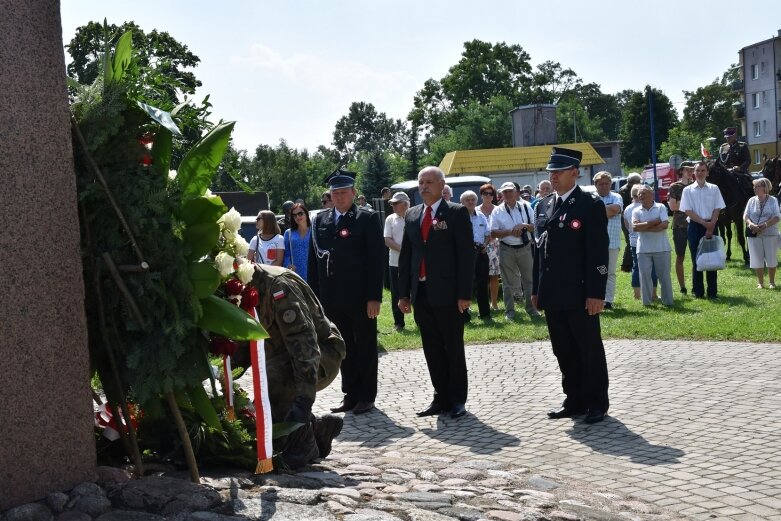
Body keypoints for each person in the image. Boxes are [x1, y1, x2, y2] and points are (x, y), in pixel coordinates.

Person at [239, 263, 347, 469]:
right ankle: (318, 428)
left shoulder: (278, 288)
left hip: (321, 355)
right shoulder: (243, 288)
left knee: (276, 377)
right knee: (263, 424)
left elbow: (305, 347)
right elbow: (245, 343)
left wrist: (303, 403)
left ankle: (304, 443)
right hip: (283, 356)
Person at [532, 147, 609, 424]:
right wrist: (535, 289)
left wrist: (596, 293)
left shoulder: (589, 205)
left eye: (559, 171)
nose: (553, 176)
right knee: (562, 348)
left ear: (575, 172)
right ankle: (574, 399)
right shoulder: (543, 205)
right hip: (553, 292)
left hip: (579, 292)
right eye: (550, 172)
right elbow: (539, 251)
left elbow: (598, 253)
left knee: (588, 348)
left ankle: (597, 402)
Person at [397, 166, 474, 419]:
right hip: (422, 293)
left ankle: (457, 400)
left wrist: (464, 294)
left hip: (449, 294)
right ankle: (440, 397)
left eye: (429, 182)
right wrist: (403, 294)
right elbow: (407, 256)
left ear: (442, 186)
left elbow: (465, 256)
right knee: (431, 348)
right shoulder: (412, 214)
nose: (424, 186)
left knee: (452, 346)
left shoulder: (456, 212)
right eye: (421, 182)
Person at [309, 168, 384, 415]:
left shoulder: (367, 218)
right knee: (342, 348)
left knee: (364, 345)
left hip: (361, 297)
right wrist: (315, 299)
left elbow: (376, 260)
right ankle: (350, 394)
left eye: (344, 192)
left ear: (353, 193)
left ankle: (366, 395)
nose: (339, 197)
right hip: (332, 297)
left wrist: (374, 297)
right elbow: (314, 261)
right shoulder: (320, 220)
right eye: (335, 192)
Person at [491, 182, 540, 320]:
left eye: (510, 191)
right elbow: (493, 232)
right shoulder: (497, 210)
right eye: (504, 192)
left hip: (525, 247)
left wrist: (523, 226)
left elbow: (535, 226)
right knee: (507, 283)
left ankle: (532, 309)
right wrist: (510, 232)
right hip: (506, 248)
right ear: (501, 194)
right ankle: (509, 311)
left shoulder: (526, 206)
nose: (507, 194)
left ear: (516, 192)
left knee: (529, 281)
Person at [679, 161, 726, 299]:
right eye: (698, 170)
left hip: (712, 224)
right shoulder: (687, 190)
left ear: (707, 172)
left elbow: (717, 207)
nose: (700, 173)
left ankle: (712, 292)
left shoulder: (714, 188)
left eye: (703, 170)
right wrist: (703, 223)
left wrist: (711, 224)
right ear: (694, 172)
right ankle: (698, 292)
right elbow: (687, 210)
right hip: (695, 226)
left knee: (712, 259)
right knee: (696, 259)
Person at [632, 186, 673, 306]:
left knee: (664, 277)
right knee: (644, 276)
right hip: (643, 249)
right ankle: (647, 303)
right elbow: (635, 227)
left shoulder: (660, 207)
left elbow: (664, 225)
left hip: (662, 248)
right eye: (639, 194)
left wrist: (644, 227)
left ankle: (668, 301)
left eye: (644, 193)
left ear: (652, 194)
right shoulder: (636, 211)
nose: (641, 196)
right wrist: (653, 222)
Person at [743, 177, 781, 288]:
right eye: (754, 186)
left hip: (770, 233)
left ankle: (772, 282)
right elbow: (745, 215)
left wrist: (764, 225)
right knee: (756, 258)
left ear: (765, 187)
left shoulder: (773, 200)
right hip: (754, 233)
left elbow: (777, 217)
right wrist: (750, 224)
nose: (755, 188)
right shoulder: (751, 200)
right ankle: (760, 282)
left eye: (757, 186)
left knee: (771, 258)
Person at [593, 172, 623, 309]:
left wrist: (596, 212)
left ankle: (608, 300)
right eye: (601, 184)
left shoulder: (617, 197)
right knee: (595, 272)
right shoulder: (590, 198)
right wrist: (607, 211)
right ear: (596, 185)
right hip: (593, 242)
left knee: (609, 272)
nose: (604, 186)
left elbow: (615, 210)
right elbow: (609, 211)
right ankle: (595, 297)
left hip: (612, 242)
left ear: (611, 184)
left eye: (606, 183)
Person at [460, 190, 491, 320]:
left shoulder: (481, 216)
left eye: (472, 199)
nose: (470, 202)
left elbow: (488, 233)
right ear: (462, 202)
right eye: (467, 200)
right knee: (466, 285)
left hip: (481, 253)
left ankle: (485, 314)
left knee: (483, 284)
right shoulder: (458, 217)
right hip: (465, 255)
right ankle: (465, 315)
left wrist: (484, 245)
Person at [384, 192, 410, 331]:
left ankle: (421, 321)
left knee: (417, 291)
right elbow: (387, 240)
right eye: (392, 204)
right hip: (395, 262)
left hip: (414, 262)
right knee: (397, 293)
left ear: (405, 204)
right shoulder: (390, 219)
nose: (393, 206)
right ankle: (399, 323)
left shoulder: (415, 216)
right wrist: (404, 251)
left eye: (396, 203)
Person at [668, 162, 695, 294]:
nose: (690, 172)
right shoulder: (675, 187)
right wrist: (688, 205)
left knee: (697, 256)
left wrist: (681, 204)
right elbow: (672, 207)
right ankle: (682, 287)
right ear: (681, 171)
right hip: (679, 226)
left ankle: (697, 285)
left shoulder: (696, 186)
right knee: (680, 256)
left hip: (695, 224)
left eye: (692, 170)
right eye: (687, 170)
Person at [479, 183, 501, 311]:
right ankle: (482, 303)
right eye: (485, 193)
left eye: (490, 193)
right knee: (480, 275)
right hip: (480, 246)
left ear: (494, 196)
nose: (488, 196)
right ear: (481, 195)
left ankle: (494, 303)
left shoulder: (498, 210)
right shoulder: (475, 210)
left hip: (495, 246)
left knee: (494, 275)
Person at [618, 173, 642, 272]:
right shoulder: (625, 190)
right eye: (638, 182)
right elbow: (623, 206)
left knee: (630, 240)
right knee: (630, 240)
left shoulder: (623, 189)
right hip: (627, 217)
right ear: (634, 182)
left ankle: (629, 263)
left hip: (627, 216)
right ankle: (627, 264)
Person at [283, 202, 312, 284]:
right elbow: (286, 254)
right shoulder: (288, 233)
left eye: (300, 213)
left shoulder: (314, 230)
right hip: (296, 275)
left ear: (306, 213)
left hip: (313, 272)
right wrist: (288, 265)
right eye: (294, 215)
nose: (297, 217)